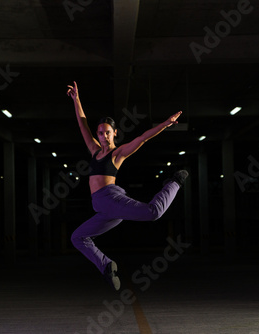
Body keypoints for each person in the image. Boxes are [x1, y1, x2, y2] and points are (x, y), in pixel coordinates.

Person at [67, 81, 188, 291]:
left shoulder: (117, 153)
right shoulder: (94, 150)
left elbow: (141, 139)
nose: (103, 136)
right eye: (100, 133)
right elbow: (82, 125)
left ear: (115, 133)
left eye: (107, 133)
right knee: (78, 237)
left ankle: (175, 182)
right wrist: (77, 99)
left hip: (110, 199)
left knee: (153, 212)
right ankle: (106, 266)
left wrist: (164, 124)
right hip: (102, 207)